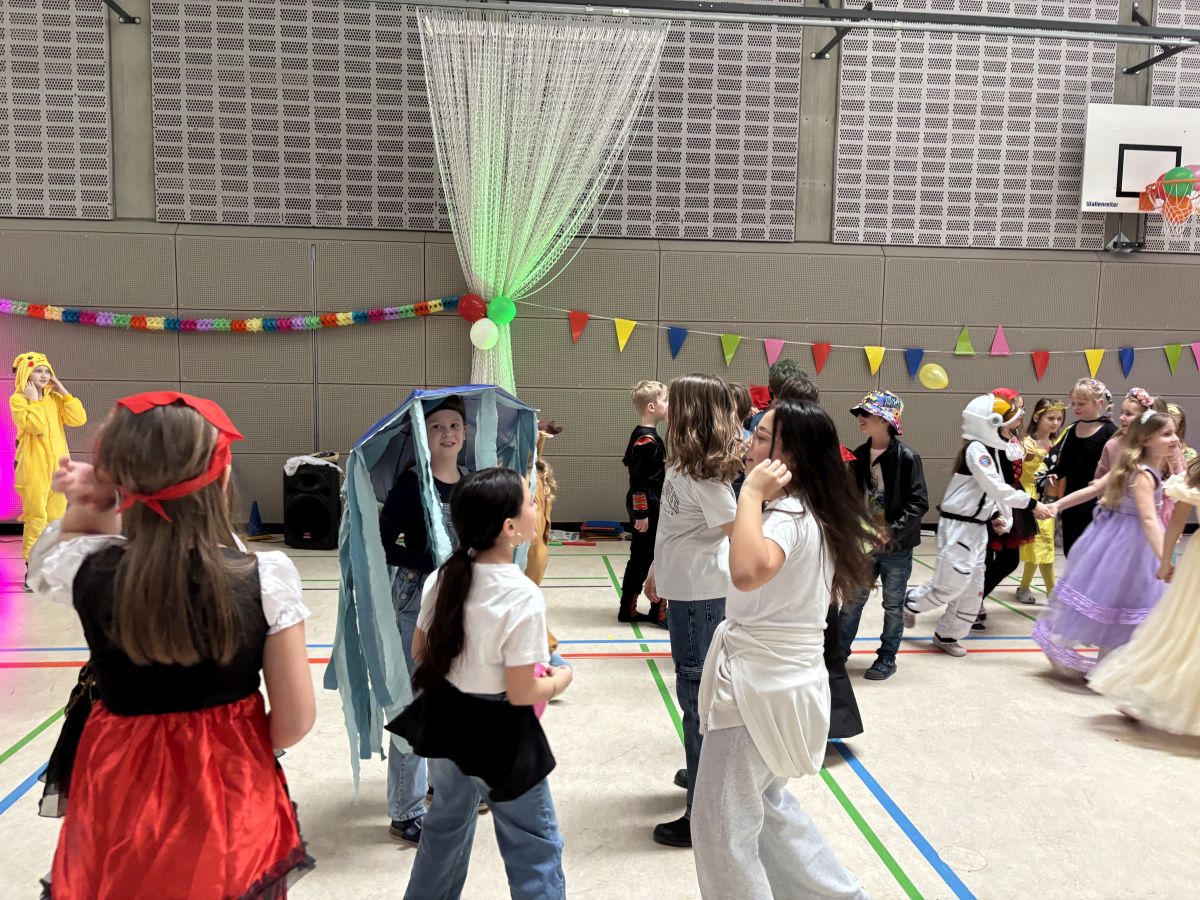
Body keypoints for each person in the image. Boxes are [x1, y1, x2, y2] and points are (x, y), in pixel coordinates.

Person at [27, 392, 314, 897]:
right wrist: (232, 746)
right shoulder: (264, 576)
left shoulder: (85, 566)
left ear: (117, 485)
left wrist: (91, 505)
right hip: (228, 785)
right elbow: (295, 719)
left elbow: (52, 559)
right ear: (222, 479)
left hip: (119, 780)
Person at [691, 399, 873, 900]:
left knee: (720, 828)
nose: (748, 443)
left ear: (788, 456)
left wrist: (750, 493)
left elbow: (748, 572)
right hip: (778, 682)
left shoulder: (788, 515)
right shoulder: (806, 511)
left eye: (761, 436)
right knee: (768, 807)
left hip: (760, 688)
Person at [391, 467, 572, 900]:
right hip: (500, 734)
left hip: (447, 719)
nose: (536, 507)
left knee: (445, 827)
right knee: (535, 843)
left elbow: (421, 651)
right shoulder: (521, 595)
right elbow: (522, 691)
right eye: (530, 501)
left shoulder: (443, 577)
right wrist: (559, 680)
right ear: (510, 528)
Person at [643, 373, 742, 848]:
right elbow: (674, 527)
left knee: (697, 698)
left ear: (691, 413)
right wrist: (656, 569)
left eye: (674, 402)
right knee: (693, 693)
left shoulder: (705, 475)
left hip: (702, 596)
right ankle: (700, 768)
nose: (666, 409)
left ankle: (701, 810)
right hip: (684, 589)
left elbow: (739, 533)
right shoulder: (682, 461)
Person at [378, 395, 467, 844]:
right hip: (417, 601)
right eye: (436, 426)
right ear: (422, 434)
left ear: (466, 433)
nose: (448, 433)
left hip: (459, 603)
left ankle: (437, 786)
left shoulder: (472, 483)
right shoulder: (411, 485)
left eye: (455, 425)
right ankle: (405, 810)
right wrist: (428, 559)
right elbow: (382, 543)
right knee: (414, 702)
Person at [904, 393, 1051, 657]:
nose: (1012, 426)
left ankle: (947, 635)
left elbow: (990, 493)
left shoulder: (992, 451)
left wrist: (998, 517)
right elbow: (995, 487)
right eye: (1007, 421)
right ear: (989, 423)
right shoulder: (976, 450)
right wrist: (1032, 504)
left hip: (977, 527)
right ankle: (911, 602)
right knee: (952, 583)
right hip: (959, 527)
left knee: (973, 590)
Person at [1035, 410, 1175, 674]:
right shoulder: (1143, 475)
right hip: (1131, 544)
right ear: (1146, 439)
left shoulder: (1133, 466)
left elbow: (1094, 489)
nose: (1175, 439)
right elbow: (1148, 519)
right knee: (1123, 601)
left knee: (1122, 602)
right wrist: (1164, 559)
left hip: (1119, 537)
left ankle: (1106, 665)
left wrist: (1058, 505)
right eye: (1166, 434)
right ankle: (1100, 664)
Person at [775, 375, 864, 735]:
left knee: (821, 651)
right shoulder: (827, 450)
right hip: (814, 558)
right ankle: (826, 724)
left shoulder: (810, 454)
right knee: (825, 651)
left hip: (813, 560)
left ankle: (824, 725)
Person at [1088, 458, 1200, 734]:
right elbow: (1177, 520)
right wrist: (1165, 560)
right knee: (1185, 631)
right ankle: (1137, 689)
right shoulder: (1195, 474)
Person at [840, 390, 928, 681]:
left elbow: (919, 503)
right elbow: (852, 498)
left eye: (866, 413)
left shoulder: (907, 457)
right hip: (864, 545)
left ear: (885, 420)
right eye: (860, 413)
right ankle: (837, 654)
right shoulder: (859, 455)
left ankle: (887, 657)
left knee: (892, 605)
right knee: (852, 601)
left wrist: (891, 531)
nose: (860, 418)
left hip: (897, 546)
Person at [10, 352, 87, 584]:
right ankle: (33, 569)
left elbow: (78, 419)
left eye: (47, 371)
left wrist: (63, 391)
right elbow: (36, 426)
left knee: (57, 519)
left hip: (58, 469)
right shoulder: (19, 400)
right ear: (27, 374)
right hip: (33, 469)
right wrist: (34, 401)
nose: (44, 375)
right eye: (38, 371)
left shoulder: (55, 399)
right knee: (37, 518)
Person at [975, 388, 1034, 630]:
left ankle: (973, 601)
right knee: (984, 559)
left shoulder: (1013, 435)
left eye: (1023, 408)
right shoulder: (988, 441)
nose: (1022, 412)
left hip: (1011, 499)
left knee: (1008, 560)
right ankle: (970, 605)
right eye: (1017, 407)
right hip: (991, 501)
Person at [619, 380, 669, 625]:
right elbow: (637, 479)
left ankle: (639, 608)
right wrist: (641, 513)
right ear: (651, 407)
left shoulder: (645, 435)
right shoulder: (646, 440)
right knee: (647, 556)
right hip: (648, 503)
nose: (669, 405)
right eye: (665, 401)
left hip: (650, 501)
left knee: (646, 555)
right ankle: (651, 610)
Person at [1048, 379, 1117, 556]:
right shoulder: (1072, 429)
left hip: (1096, 499)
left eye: (1081, 404)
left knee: (1090, 552)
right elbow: (1065, 462)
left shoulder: (1110, 431)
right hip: (1072, 497)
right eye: (1073, 403)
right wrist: (1055, 473)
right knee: (1071, 550)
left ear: (1098, 403)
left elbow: (1116, 467)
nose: (1075, 408)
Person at [1015, 399, 1066, 604]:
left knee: (1044, 546)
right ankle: (1050, 592)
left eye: (1059, 419)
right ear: (1037, 417)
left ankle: (1029, 588)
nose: (1055, 423)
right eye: (1050, 418)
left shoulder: (1057, 444)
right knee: (1039, 546)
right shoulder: (1027, 445)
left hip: (1048, 498)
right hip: (1030, 497)